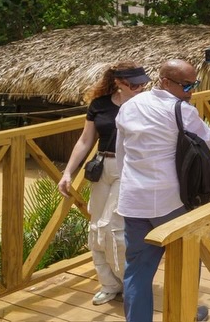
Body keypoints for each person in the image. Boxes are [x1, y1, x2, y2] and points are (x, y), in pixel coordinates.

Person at [116, 59, 210, 322]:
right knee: (187, 262)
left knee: (137, 271)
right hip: (171, 203)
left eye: (195, 84)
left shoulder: (130, 105)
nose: (191, 90)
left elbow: (121, 154)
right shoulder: (181, 110)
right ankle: (188, 314)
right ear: (165, 82)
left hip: (134, 201)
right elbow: (207, 140)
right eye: (186, 85)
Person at [58, 61, 150, 307]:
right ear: (118, 82)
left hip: (129, 169)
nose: (140, 87)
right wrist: (67, 172)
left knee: (113, 227)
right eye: (134, 84)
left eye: (143, 83)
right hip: (101, 167)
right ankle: (109, 284)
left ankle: (130, 281)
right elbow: (85, 140)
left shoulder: (146, 104)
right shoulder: (99, 104)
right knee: (96, 225)